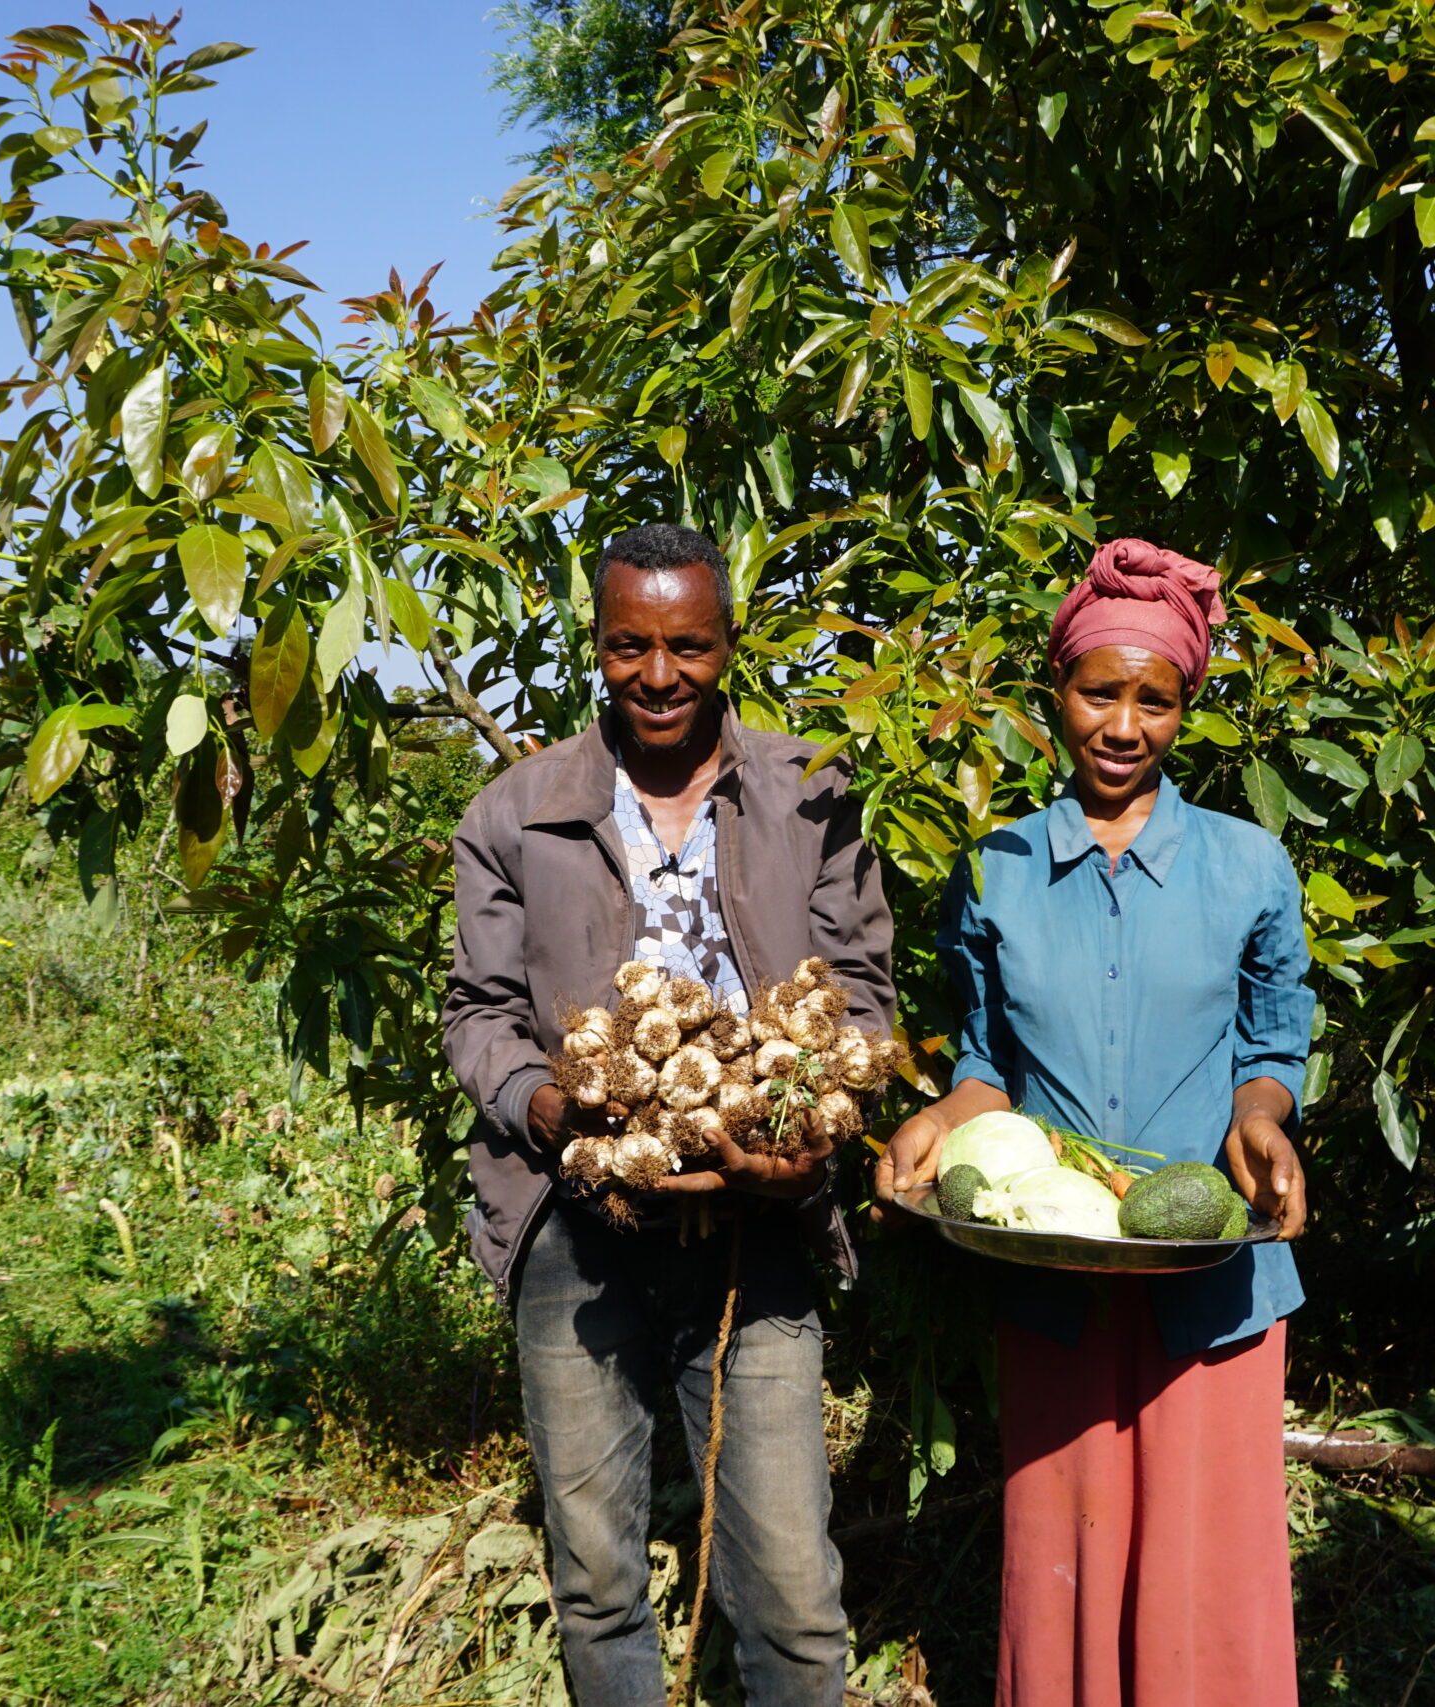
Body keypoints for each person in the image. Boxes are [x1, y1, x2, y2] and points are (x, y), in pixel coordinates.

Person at [445, 521, 894, 1707]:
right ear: (595, 643)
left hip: (761, 1220)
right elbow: (476, 1015)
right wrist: (555, 1114)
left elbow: (864, 1005)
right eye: (628, 645)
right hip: (577, 1225)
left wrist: (805, 1147)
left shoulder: (810, 791)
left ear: (727, 643)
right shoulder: (515, 814)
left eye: (686, 647)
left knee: (791, 1589)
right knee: (595, 1577)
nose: (657, 676)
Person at [876, 537, 1312, 1707]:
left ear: (1188, 707)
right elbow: (985, 1063)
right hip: (1054, 1263)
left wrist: (1263, 1122)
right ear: (1054, 694)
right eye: (1097, 692)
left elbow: (1273, 1045)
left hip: (1211, 1268)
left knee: (1203, 1575)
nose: (1123, 726)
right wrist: (939, 1120)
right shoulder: (997, 868)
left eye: (1154, 700)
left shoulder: (1247, 865)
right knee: (1065, 1555)